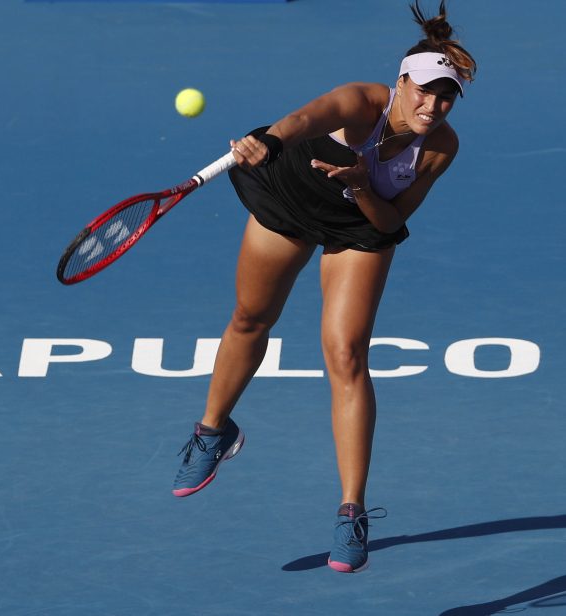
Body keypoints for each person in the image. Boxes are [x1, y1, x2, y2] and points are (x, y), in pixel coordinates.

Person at [171, 0, 477, 573]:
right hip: (291, 197)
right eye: (425, 90)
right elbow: (303, 119)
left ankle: (351, 510)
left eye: (447, 96)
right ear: (401, 82)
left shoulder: (441, 148)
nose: (433, 105)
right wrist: (268, 139)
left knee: (346, 354)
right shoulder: (361, 101)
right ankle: (212, 431)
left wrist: (363, 186)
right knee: (250, 319)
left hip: (360, 221)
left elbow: (389, 222)